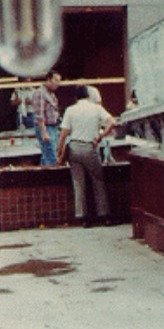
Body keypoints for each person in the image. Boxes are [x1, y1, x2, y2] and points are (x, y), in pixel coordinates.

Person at [56, 86, 116, 227]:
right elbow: (112, 122)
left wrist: (59, 152)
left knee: (78, 182)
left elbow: (64, 134)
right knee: (98, 181)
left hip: (74, 147)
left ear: (75, 98)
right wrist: (101, 136)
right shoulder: (96, 108)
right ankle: (104, 215)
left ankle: (82, 217)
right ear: (88, 96)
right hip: (90, 147)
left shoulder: (70, 110)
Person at [32, 70, 62, 165]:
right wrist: (44, 132)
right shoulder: (40, 93)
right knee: (51, 156)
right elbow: (39, 115)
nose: (57, 84)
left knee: (48, 155)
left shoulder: (51, 94)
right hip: (46, 127)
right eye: (56, 80)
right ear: (48, 79)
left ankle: (42, 176)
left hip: (53, 126)